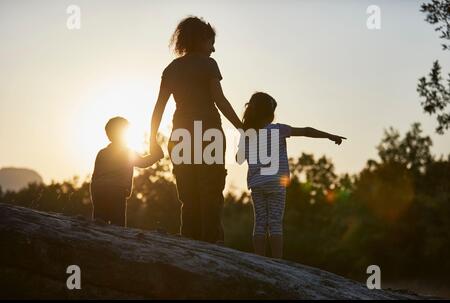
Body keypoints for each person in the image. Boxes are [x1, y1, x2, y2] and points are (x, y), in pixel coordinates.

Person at [149, 16, 243, 243]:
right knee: (210, 193)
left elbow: (158, 108)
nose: (213, 48)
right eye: (211, 42)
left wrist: (152, 139)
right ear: (200, 39)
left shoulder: (171, 68)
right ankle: (213, 247)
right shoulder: (208, 64)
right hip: (208, 133)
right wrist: (242, 128)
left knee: (188, 196)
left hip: (180, 135)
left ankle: (189, 246)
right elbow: (219, 100)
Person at [238, 92, 346, 258]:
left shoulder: (247, 133)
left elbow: (239, 159)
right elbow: (306, 131)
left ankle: (259, 259)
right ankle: (277, 261)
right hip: (276, 182)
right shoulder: (278, 129)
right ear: (270, 113)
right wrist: (329, 136)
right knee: (275, 222)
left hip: (257, 183)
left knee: (260, 222)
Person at [91, 116, 164, 227]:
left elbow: (94, 177)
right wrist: (156, 156)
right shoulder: (126, 152)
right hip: (117, 191)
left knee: (99, 224)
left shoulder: (102, 153)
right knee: (118, 224)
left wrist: (95, 195)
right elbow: (143, 162)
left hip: (99, 191)